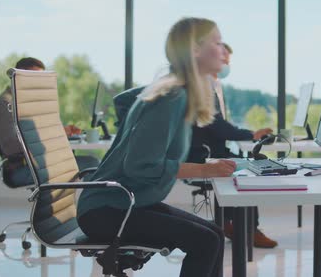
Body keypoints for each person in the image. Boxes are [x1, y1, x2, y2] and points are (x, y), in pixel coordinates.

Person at [77, 17, 237, 277]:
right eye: (217, 43)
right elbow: (141, 165)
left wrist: (210, 166)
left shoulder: (178, 92)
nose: (223, 51)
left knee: (214, 234)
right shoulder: (171, 96)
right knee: (205, 241)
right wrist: (204, 170)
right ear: (195, 50)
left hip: (127, 202)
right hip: (107, 209)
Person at [186, 43, 277, 248]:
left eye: (227, 59)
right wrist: (251, 134)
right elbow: (216, 125)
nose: (225, 62)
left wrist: (249, 134)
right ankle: (249, 229)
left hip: (211, 149)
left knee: (244, 163)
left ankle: (231, 224)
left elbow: (220, 124)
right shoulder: (202, 84)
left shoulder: (212, 84)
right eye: (222, 58)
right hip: (202, 153)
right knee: (247, 171)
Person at [0, 57, 98, 187]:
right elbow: (12, 146)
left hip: (38, 163)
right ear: (18, 77)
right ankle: (92, 206)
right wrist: (51, 137)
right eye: (34, 77)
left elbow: (33, 132)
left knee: (90, 162)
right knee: (91, 164)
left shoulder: (24, 101)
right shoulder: (5, 104)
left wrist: (61, 131)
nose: (38, 83)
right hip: (21, 169)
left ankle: (82, 205)